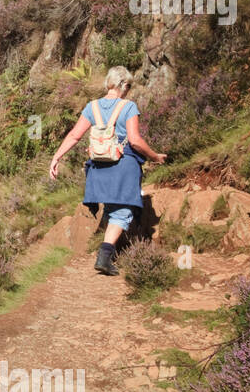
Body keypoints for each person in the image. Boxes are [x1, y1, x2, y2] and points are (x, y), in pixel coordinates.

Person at [48, 66, 167, 275]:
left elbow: (75, 136)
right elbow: (135, 141)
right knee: (122, 210)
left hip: (99, 168)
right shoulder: (128, 107)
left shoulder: (91, 107)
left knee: (113, 206)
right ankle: (105, 255)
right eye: (128, 87)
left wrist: (56, 157)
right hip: (123, 166)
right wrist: (155, 156)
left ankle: (108, 249)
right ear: (124, 85)